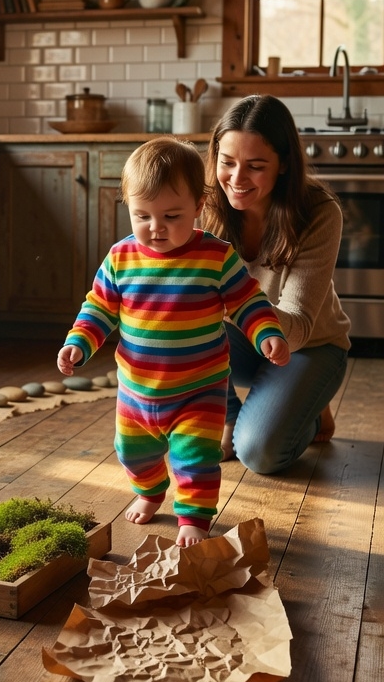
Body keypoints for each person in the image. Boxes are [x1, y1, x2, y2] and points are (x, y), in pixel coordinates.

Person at [58, 137, 289, 547]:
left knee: (196, 460)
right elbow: (99, 307)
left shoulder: (216, 256)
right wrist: (79, 342)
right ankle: (149, 492)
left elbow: (247, 300)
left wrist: (267, 332)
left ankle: (193, 519)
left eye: (171, 215)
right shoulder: (120, 258)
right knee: (133, 454)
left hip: (198, 390)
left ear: (199, 206)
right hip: (136, 393)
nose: (156, 227)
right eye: (142, 215)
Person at [202, 95, 351, 473]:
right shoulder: (203, 203)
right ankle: (231, 415)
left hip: (308, 346)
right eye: (228, 162)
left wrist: (230, 302)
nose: (236, 179)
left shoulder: (319, 212)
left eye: (255, 166)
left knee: (259, 454)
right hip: (241, 341)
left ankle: (310, 407)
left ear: (283, 165)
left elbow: (298, 327)